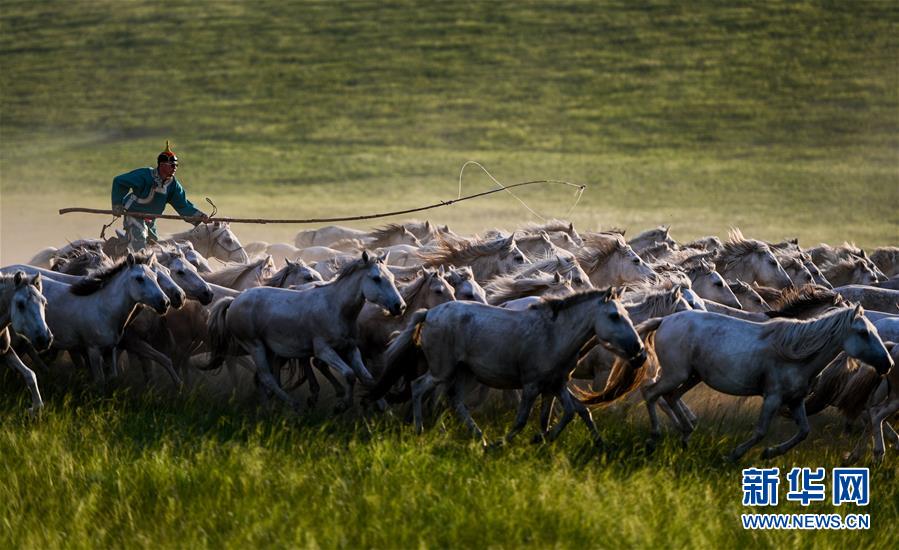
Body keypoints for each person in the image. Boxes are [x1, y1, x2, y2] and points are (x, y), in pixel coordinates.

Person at [111, 141, 209, 251]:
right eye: (172, 165)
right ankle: (134, 265)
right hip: (133, 214)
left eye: (176, 165)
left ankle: (127, 252)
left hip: (150, 218)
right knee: (139, 239)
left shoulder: (173, 185)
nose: (175, 168)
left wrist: (200, 217)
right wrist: (117, 204)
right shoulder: (144, 175)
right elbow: (119, 181)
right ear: (162, 165)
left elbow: (183, 205)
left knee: (153, 242)